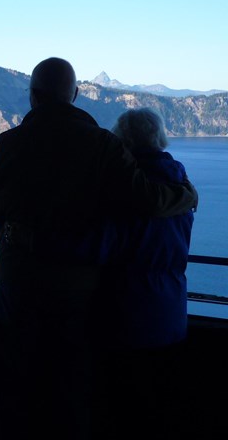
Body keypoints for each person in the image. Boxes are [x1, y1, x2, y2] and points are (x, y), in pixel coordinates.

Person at [0, 57, 198, 440]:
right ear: (76, 95)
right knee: (69, 400)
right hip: (76, 299)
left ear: (33, 97)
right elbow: (145, 200)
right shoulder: (100, 145)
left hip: (15, 291)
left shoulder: (5, 144)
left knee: (13, 393)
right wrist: (186, 196)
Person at [93, 108, 195, 439]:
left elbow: (104, 246)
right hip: (170, 313)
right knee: (158, 409)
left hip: (124, 314)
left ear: (123, 140)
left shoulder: (121, 187)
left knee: (120, 411)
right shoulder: (180, 181)